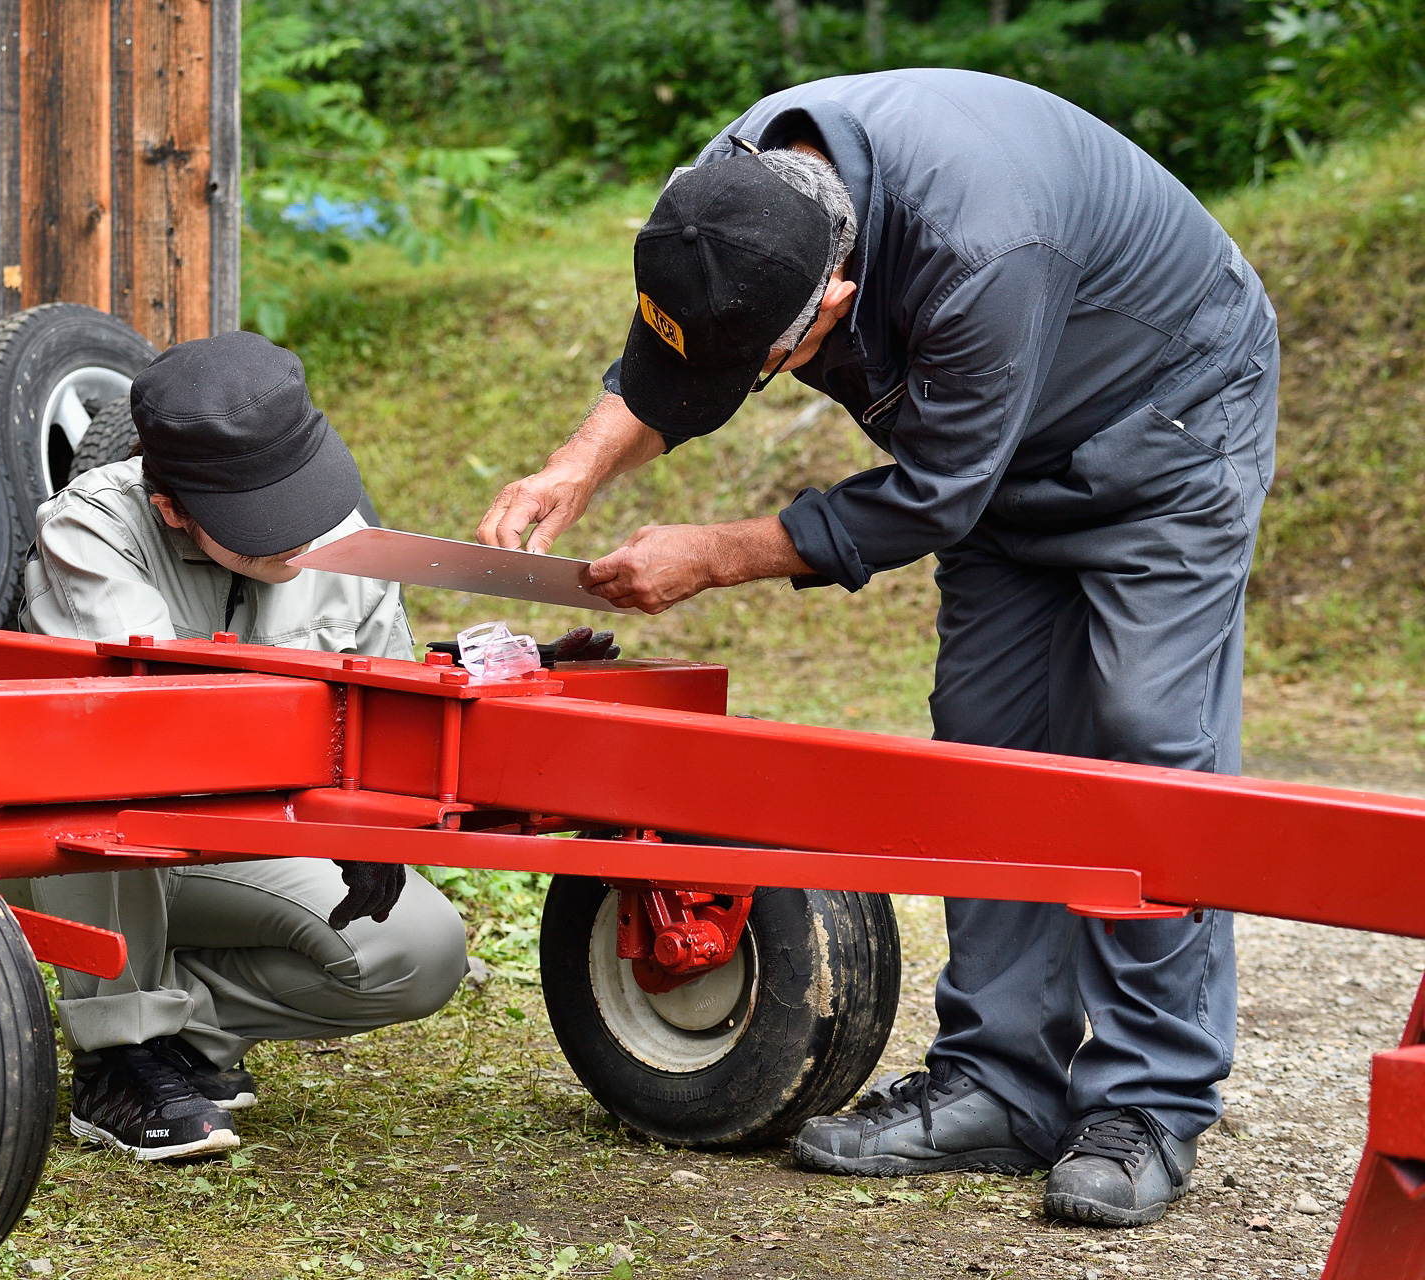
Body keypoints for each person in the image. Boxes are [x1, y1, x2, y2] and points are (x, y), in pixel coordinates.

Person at [478, 69, 1276, 1228]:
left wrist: (715, 552)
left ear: (839, 292)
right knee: (986, 742)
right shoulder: (726, 198)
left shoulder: (984, 249)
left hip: (1163, 430)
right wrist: (574, 466)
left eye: (774, 361)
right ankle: (999, 1081)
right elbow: (679, 344)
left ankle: (1148, 1102)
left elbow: (935, 497)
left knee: (1145, 740)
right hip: (997, 451)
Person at [15, 329, 470, 1161]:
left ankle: (181, 1036)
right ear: (173, 509)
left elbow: (388, 713)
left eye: (302, 503)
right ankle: (117, 1057)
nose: (302, 539)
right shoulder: (90, 531)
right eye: (265, 527)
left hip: (244, 839)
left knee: (420, 949)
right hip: (100, 843)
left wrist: (372, 823)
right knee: (98, 778)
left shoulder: (343, 536)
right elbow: (146, 735)